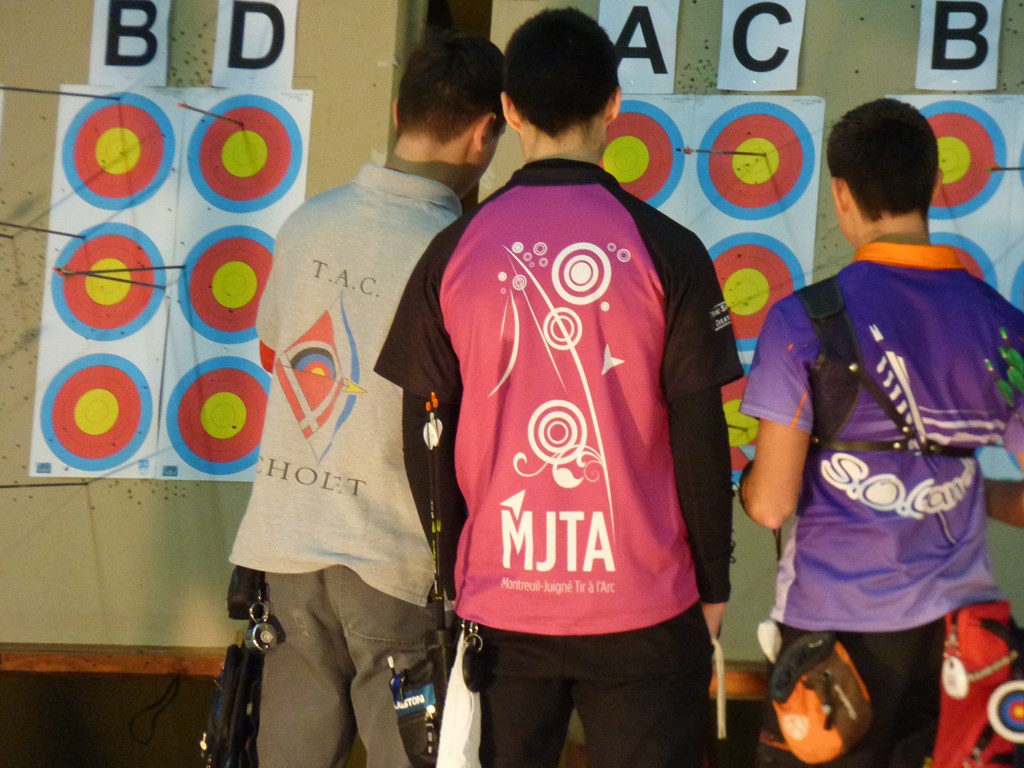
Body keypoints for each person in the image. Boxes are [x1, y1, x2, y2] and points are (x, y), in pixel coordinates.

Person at [375, 9, 742, 768]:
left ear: (509, 110)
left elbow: (425, 432)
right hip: (647, 608)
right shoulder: (670, 251)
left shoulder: (453, 251)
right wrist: (714, 582)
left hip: (502, 608)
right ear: (614, 105)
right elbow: (701, 435)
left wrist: (454, 576)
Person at [227, 30, 504, 768]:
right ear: (485, 132)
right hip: (396, 563)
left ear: (397, 112)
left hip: (286, 553)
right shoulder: (465, 252)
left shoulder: (306, 224)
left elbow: (276, 360)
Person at [739, 97, 1024, 767]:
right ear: (934, 184)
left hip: (833, 645)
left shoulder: (803, 321)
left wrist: (749, 484)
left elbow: (773, 504)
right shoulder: (1004, 326)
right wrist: (970, 493)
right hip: (960, 641)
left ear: (841, 194)